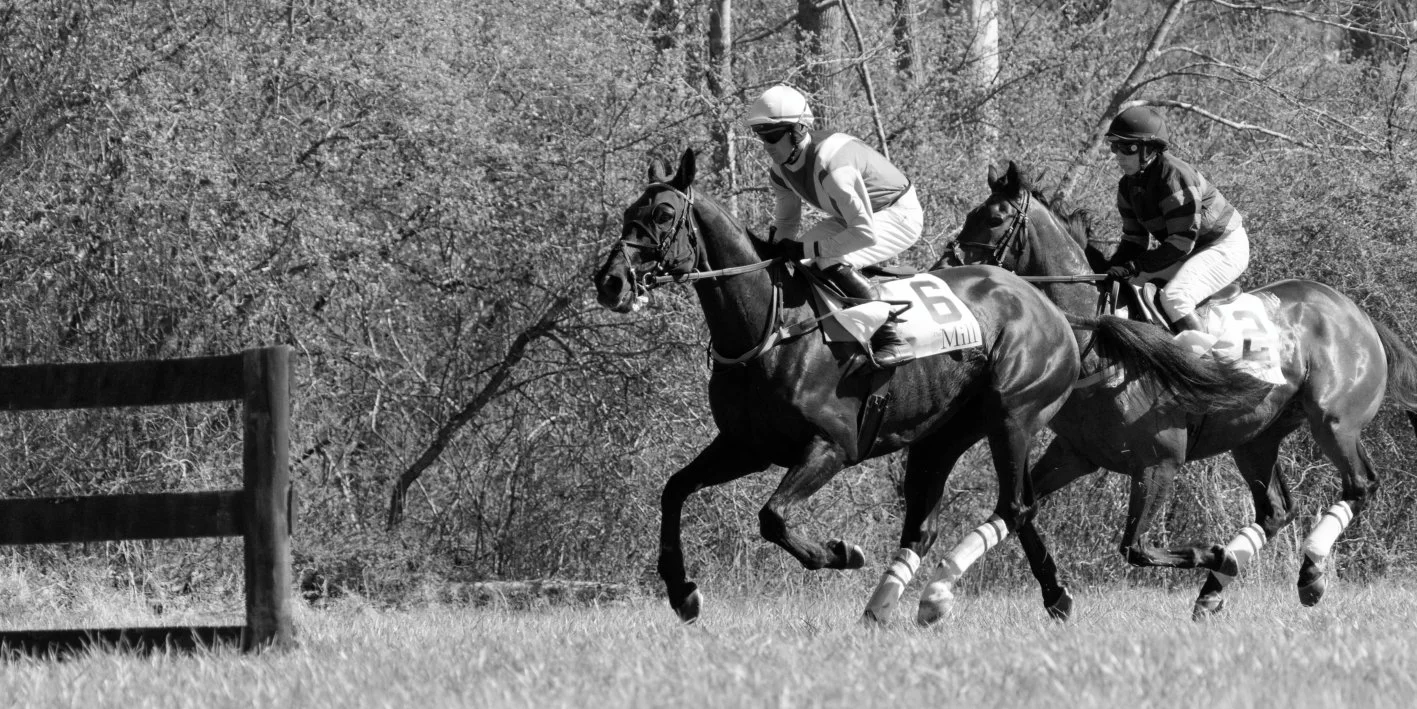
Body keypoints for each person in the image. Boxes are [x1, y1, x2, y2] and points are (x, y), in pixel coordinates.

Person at [744, 85, 923, 369]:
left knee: (826, 256)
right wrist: (774, 254)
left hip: (898, 214)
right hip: (852, 217)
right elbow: (787, 222)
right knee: (800, 260)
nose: (766, 145)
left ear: (799, 130)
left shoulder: (832, 167)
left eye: (773, 136)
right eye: (761, 136)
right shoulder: (780, 171)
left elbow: (864, 232)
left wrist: (805, 246)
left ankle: (890, 337)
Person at [1103, 105, 1250, 352]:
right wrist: (1112, 268)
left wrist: (1136, 265)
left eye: (1127, 148)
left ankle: (1212, 368)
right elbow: (1134, 240)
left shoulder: (1174, 176)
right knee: (1129, 285)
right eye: (1115, 146)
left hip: (1224, 246)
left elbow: (1182, 242)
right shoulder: (1127, 187)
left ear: (1149, 150)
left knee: (1175, 298)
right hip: (1188, 250)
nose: (1119, 155)